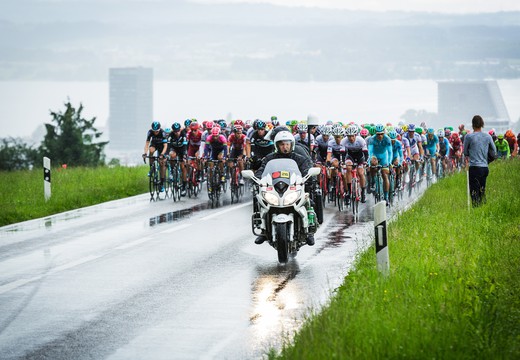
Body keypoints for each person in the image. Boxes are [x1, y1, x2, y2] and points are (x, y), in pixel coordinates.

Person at [254, 130, 314, 246]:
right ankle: (263, 230)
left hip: (293, 188)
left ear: (291, 145)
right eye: (282, 144)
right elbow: (262, 170)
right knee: (260, 201)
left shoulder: (299, 158)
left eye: (287, 144)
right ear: (277, 145)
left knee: (308, 202)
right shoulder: (269, 158)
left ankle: (309, 231)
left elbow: (306, 170)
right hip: (275, 188)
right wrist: (257, 178)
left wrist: (309, 177)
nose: (285, 147)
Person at [463, 115, 497, 207]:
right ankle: (483, 208)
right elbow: (494, 152)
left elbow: (465, 152)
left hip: (474, 167)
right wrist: (487, 160)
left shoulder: (468, 137)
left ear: (473, 125)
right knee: (482, 190)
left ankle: (476, 210)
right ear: (482, 124)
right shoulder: (488, 136)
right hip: (484, 168)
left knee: (474, 192)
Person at [368, 124, 393, 204]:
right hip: (375, 156)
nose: (380, 136)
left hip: (384, 157)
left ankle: (386, 197)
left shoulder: (387, 139)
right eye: (378, 134)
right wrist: (369, 162)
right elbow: (370, 152)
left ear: (384, 133)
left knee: (385, 174)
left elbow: (390, 152)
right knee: (372, 167)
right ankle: (373, 182)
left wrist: (389, 162)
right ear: (376, 133)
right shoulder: (372, 139)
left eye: (382, 134)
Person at [143, 121, 168, 192]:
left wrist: (162, 155)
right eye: (154, 131)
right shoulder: (150, 132)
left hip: (161, 147)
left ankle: (162, 183)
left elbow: (165, 146)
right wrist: (145, 153)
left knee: (162, 163)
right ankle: (152, 167)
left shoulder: (163, 133)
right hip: (154, 144)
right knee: (151, 150)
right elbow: (147, 144)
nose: (155, 133)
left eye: (157, 131)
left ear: (159, 129)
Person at [167, 122, 188, 196]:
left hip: (182, 149)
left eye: (178, 131)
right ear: (173, 131)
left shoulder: (183, 134)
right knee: (171, 155)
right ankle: (173, 171)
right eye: (175, 131)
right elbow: (168, 146)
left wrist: (185, 155)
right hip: (174, 148)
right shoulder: (170, 135)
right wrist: (167, 154)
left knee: (183, 167)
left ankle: (184, 186)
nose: (177, 133)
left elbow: (185, 146)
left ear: (180, 130)